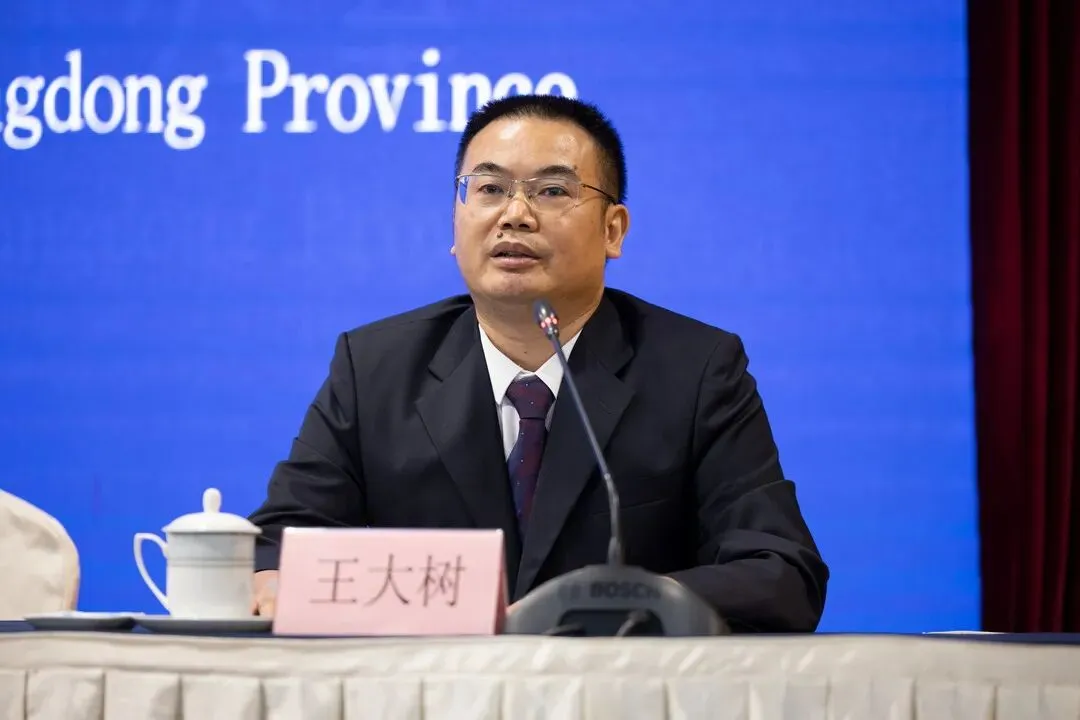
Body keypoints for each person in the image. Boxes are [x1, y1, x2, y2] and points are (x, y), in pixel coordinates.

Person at [247, 94, 829, 632]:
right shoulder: (376, 368)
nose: (515, 215)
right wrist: (270, 579)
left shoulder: (696, 370)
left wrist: (613, 605)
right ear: (456, 221)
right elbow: (277, 544)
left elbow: (780, 573)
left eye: (551, 191)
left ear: (613, 230)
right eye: (489, 189)